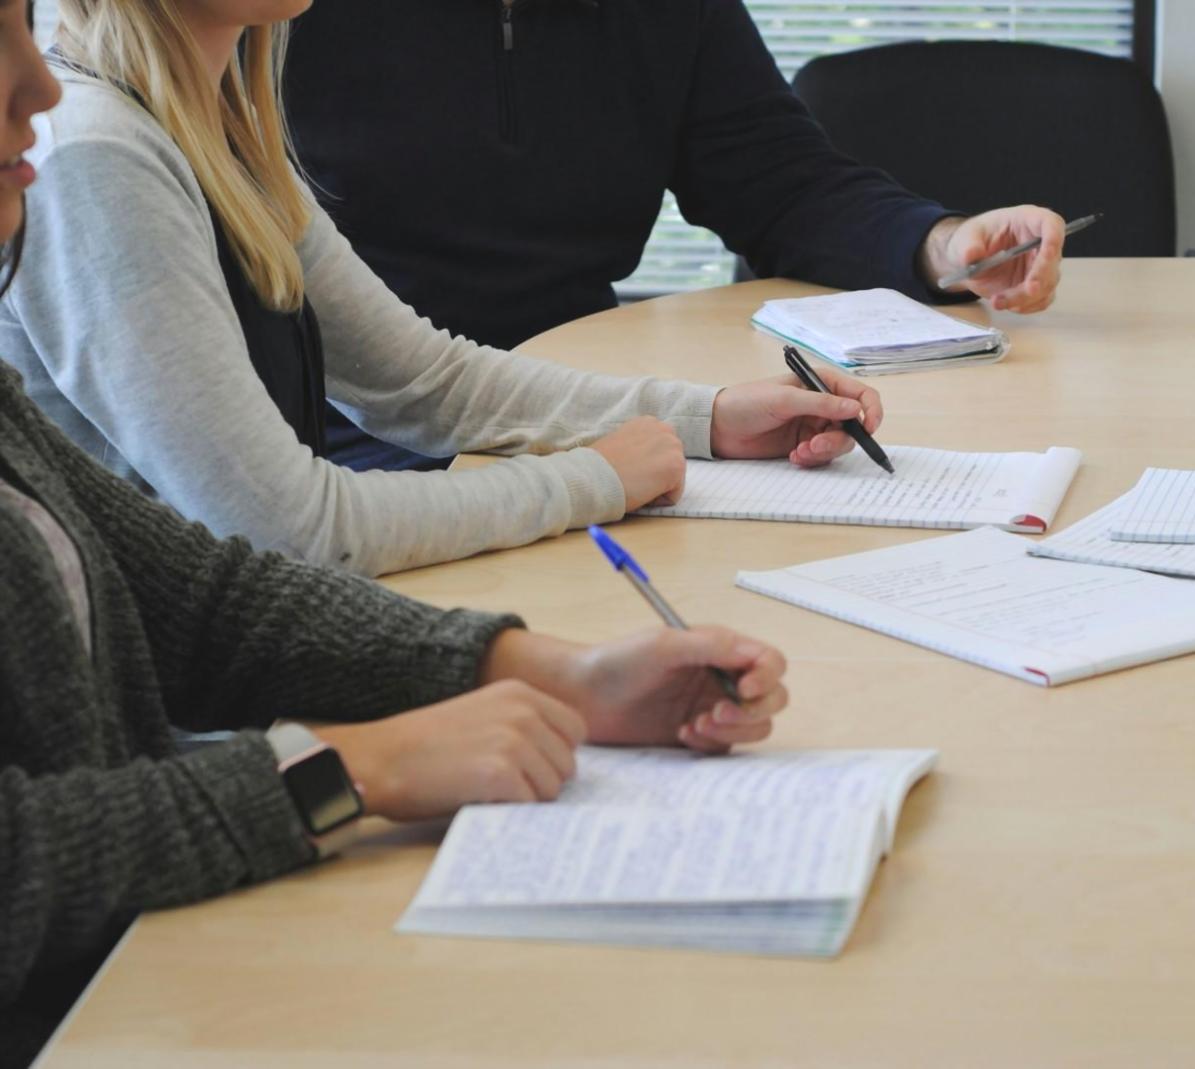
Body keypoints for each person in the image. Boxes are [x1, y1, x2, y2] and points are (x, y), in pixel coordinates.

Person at [0, 8, 789, 1064]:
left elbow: (208, 595)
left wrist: (558, 672)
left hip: (157, 913)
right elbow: (23, 861)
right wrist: (350, 768)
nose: (35, 90)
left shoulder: (213, 122)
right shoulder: (95, 158)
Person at [0, 0, 885, 577]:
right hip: (193, 707)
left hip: (265, 629)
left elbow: (423, 381)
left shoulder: (216, 126)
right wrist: (594, 481)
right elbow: (291, 530)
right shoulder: (96, 156)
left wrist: (710, 417)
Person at [281, 1, 1069, 471]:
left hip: (582, 398)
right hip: (351, 423)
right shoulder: (273, 17)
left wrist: (942, 243)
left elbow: (779, 179)